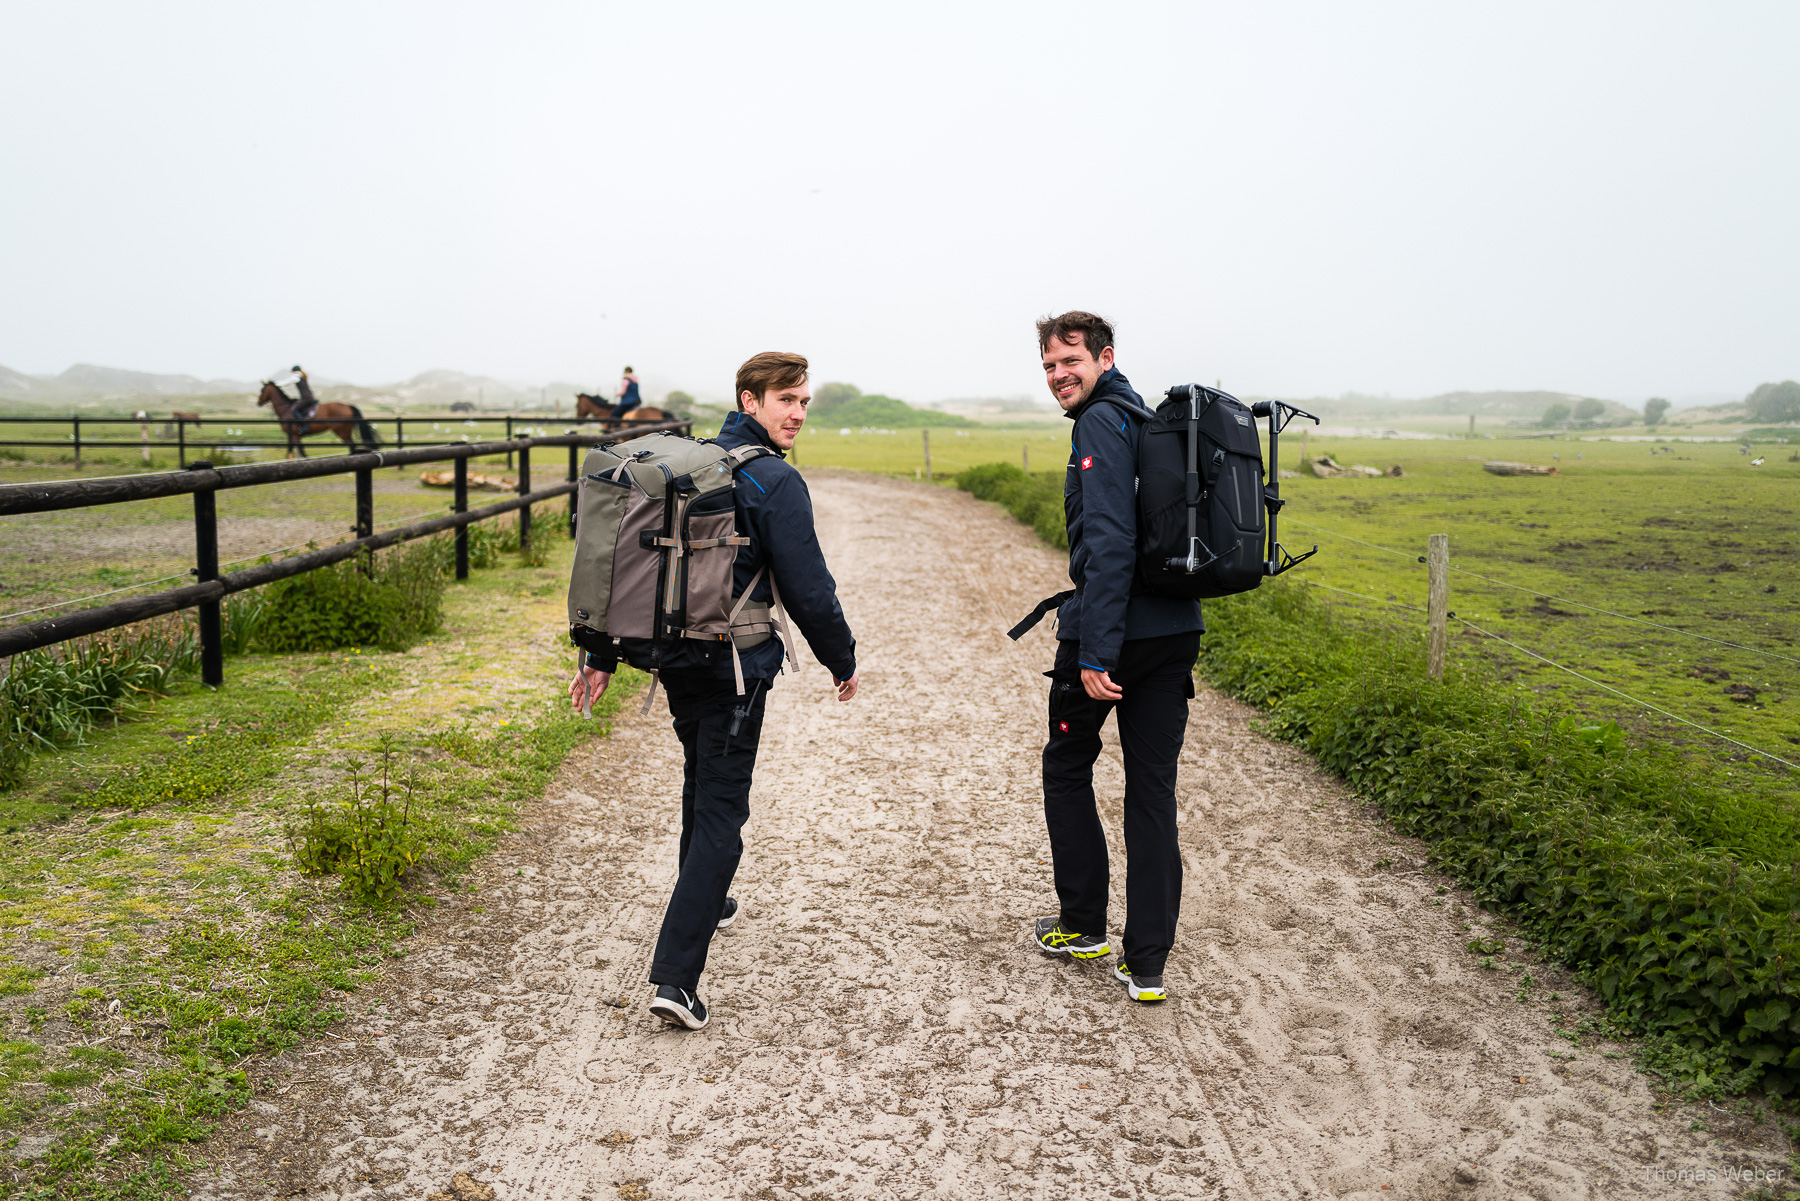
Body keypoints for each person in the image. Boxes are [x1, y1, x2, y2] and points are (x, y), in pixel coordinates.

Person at [568, 351, 860, 1030]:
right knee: (723, 812)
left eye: (805, 401)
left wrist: (601, 650)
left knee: (701, 780)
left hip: (677, 662)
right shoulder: (772, 481)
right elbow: (810, 590)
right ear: (749, 401)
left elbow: (619, 560)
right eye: (786, 399)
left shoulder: (687, 466)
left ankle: (708, 901)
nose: (798, 413)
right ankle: (676, 976)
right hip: (736, 668)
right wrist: (841, 658)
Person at [1029, 311, 1203, 1005]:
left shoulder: (1101, 422)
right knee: (1152, 790)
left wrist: (1096, 649)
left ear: (1105, 356)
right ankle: (1148, 963)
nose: (1058, 375)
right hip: (1174, 630)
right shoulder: (1146, 416)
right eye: (1048, 366)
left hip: (1115, 635)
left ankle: (1083, 924)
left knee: (1067, 764)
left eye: (1070, 360)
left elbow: (1109, 542)